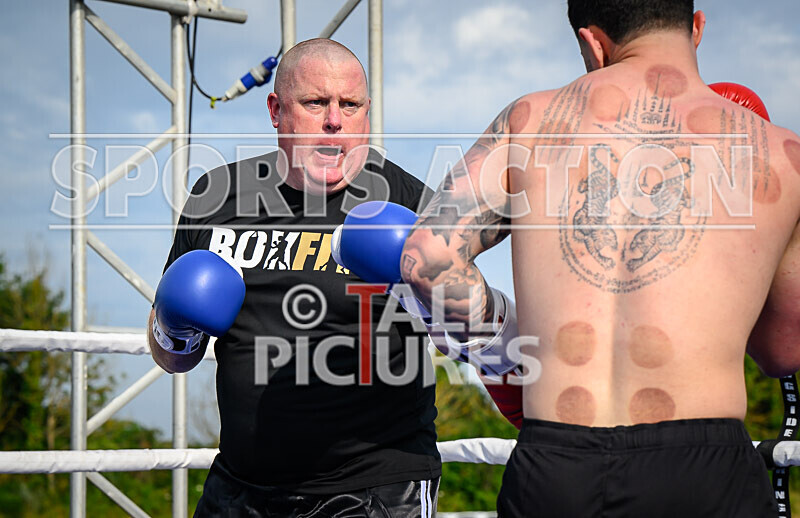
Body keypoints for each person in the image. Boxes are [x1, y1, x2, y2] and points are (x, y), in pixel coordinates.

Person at [400, 1, 800, 516]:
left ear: (592, 42)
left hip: (558, 459)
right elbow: (782, 350)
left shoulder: (529, 121)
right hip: (704, 470)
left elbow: (426, 256)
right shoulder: (781, 154)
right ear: (696, 26)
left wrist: (508, 353)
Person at [147, 38, 441, 517]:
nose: (334, 120)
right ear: (275, 110)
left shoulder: (409, 203)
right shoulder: (218, 197)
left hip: (375, 489)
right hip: (240, 486)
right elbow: (172, 358)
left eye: (351, 105)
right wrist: (172, 326)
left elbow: (471, 334)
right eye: (315, 102)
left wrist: (433, 297)